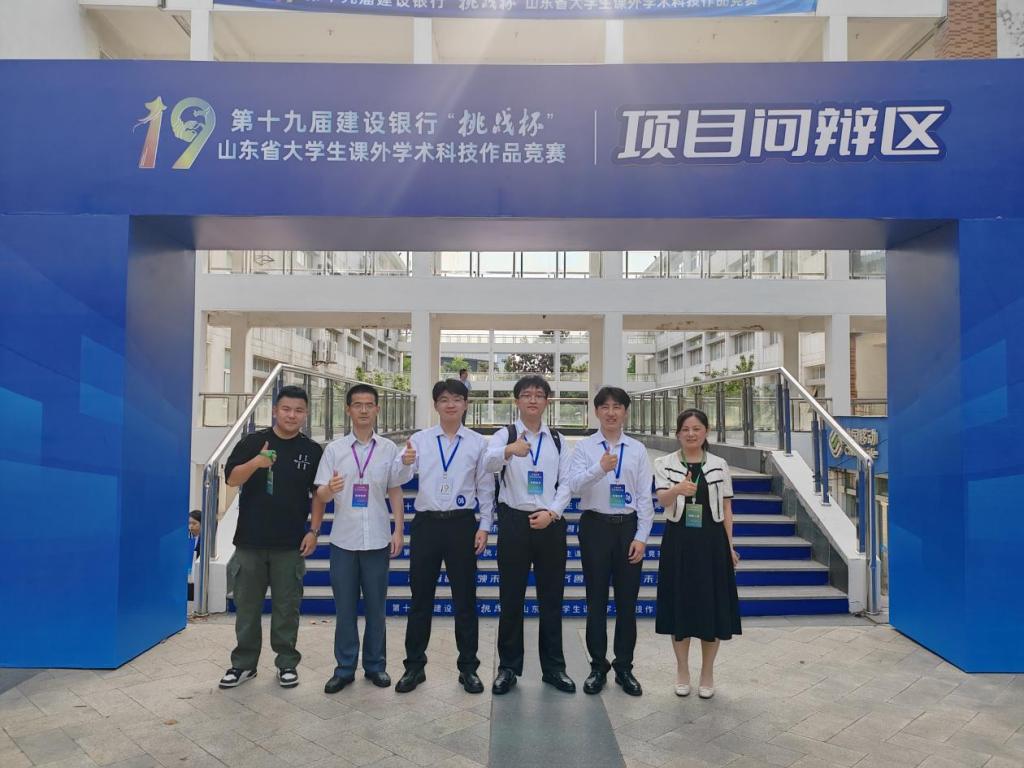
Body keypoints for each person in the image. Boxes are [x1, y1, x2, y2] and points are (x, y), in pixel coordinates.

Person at [392, 379, 493, 694]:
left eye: (457, 399)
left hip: (462, 524)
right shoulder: (420, 440)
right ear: (435, 405)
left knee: (465, 599)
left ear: (466, 405)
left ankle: (468, 668)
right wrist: (404, 463)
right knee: (420, 598)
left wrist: (484, 525)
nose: (451, 404)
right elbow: (399, 476)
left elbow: (485, 487)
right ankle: (414, 667)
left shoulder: (478, 443)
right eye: (444, 399)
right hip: (427, 525)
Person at [218, 385, 323, 690]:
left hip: (290, 544)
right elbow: (231, 479)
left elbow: (318, 494)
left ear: (306, 414)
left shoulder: (312, 451)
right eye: (286, 409)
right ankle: (243, 664)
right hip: (250, 542)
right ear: (275, 410)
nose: (292, 415)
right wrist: (256, 462)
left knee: (286, 609)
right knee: (247, 609)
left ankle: (286, 663)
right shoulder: (253, 442)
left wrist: (314, 530)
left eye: (299, 410)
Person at [484, 375, 576, 695]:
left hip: (550, 522)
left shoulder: (558, 440)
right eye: (526, 395)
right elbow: (487, 463)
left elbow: (567, 483)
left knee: (551, 598)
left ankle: (554, 668)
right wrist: (509, 450)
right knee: (511, 597)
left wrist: (552, 513)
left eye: (539, 394)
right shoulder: (505, 434)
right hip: (514, 522)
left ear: (547, 401)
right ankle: (508, 667)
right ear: (517, 401)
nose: (533, 400)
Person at [313, 383, 406, 694]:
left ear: (377, 409)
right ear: (348, 409)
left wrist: (398, 530)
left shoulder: (389, 449)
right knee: (345, 610)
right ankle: (344, 668)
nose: (364, 410)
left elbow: (395, 490)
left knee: (377, 608)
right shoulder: (334, 450)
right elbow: (320, 494)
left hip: (377, 539)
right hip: (344, 541)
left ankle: (376, 666)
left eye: (369, 405)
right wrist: (330, 489)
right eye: (358, 405)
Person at [568, 386, 654, 697]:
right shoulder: (584, 448)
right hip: (595, 527)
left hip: (627, 528)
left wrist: (641, 537)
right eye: (604, 407)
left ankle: (624, 667)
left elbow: (645, 497)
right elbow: (574, 485)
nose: (611, 412)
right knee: (597, 601)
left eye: (617, 406)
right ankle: (597, 666)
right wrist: (599, 469)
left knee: (627, 602)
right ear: (596, 412)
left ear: (626, 412)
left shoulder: (638, 449)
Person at [653, 408, 741, 700]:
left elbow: (726, 508)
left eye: (697, 429)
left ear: (706, 432)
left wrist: (729, 546)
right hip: (678, 541)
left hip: (711, 543)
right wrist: (678, 489)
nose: (691, 434)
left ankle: (707, 672)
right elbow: (661, 499)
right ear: (677, 433)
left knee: (711, 608)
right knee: (679, 606)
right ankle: (682, 671)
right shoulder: (664, 463)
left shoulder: (719, 464)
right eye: (685, 429)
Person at [187, 510, 201, 602]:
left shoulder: (205, 539)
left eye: (194, 523)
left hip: (197, 576)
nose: (191, 526)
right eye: (189, 523)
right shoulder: (186, 537)